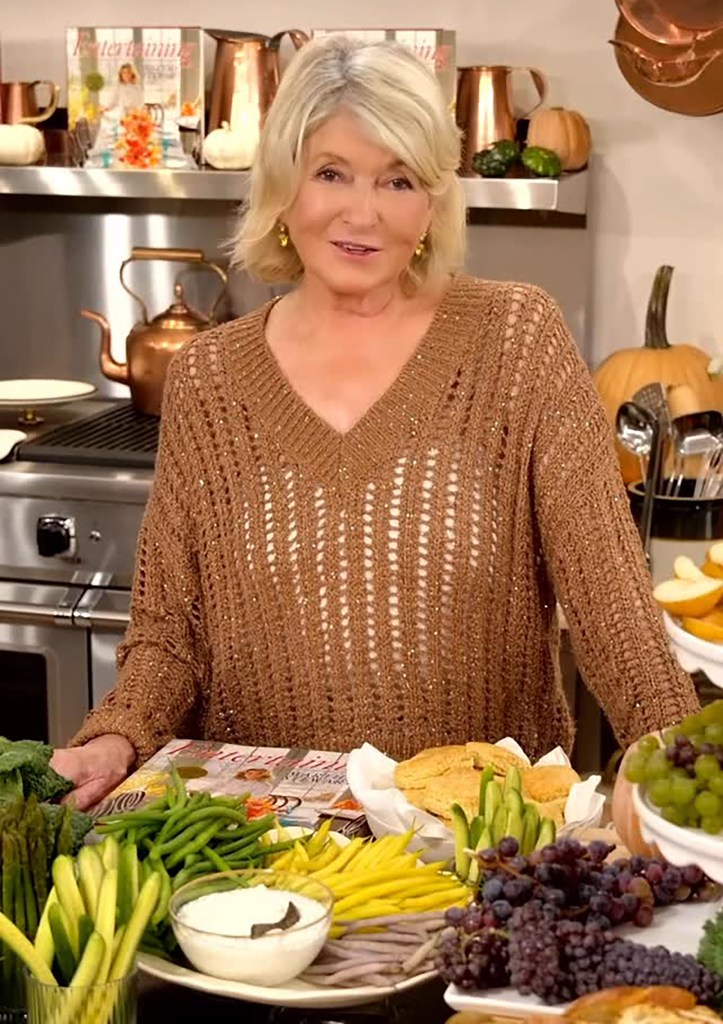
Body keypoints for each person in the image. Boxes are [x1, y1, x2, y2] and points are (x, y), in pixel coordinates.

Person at [52, 36, 698, 849]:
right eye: (331, 173)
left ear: (432, 203)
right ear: (283, 186)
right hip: (260, 854)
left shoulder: (516, 339)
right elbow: (168, 635)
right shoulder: (210, 376)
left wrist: (683, 772)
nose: (363, 212)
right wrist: (117, 733)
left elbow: (610, 603)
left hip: (482, 848)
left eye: (397, 180)